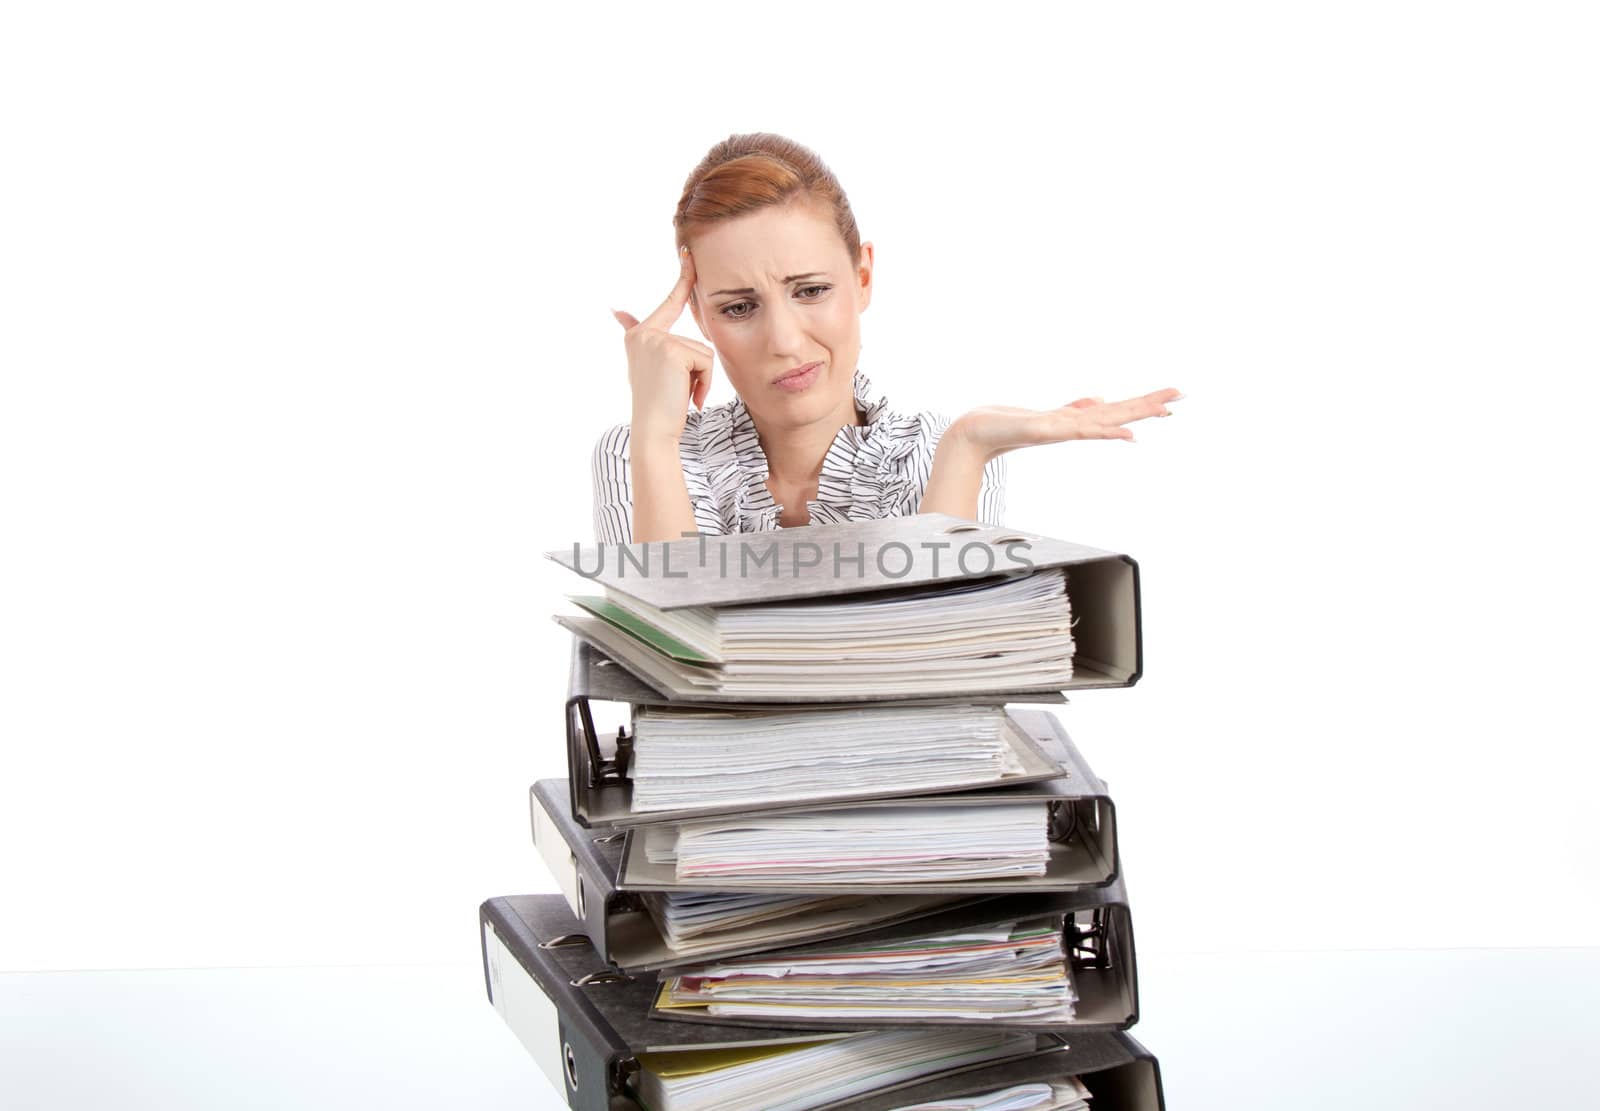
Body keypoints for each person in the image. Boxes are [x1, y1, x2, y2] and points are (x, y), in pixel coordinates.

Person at [592, 132, 1180, 546]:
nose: (785, 341)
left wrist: (968, 449)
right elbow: (671, 669)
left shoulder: (931, 452)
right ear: (698, 316)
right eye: (740, 307)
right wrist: (653, 436)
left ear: (863, 277)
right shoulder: (644, 452)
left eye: (811, 290)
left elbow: (935, 670)